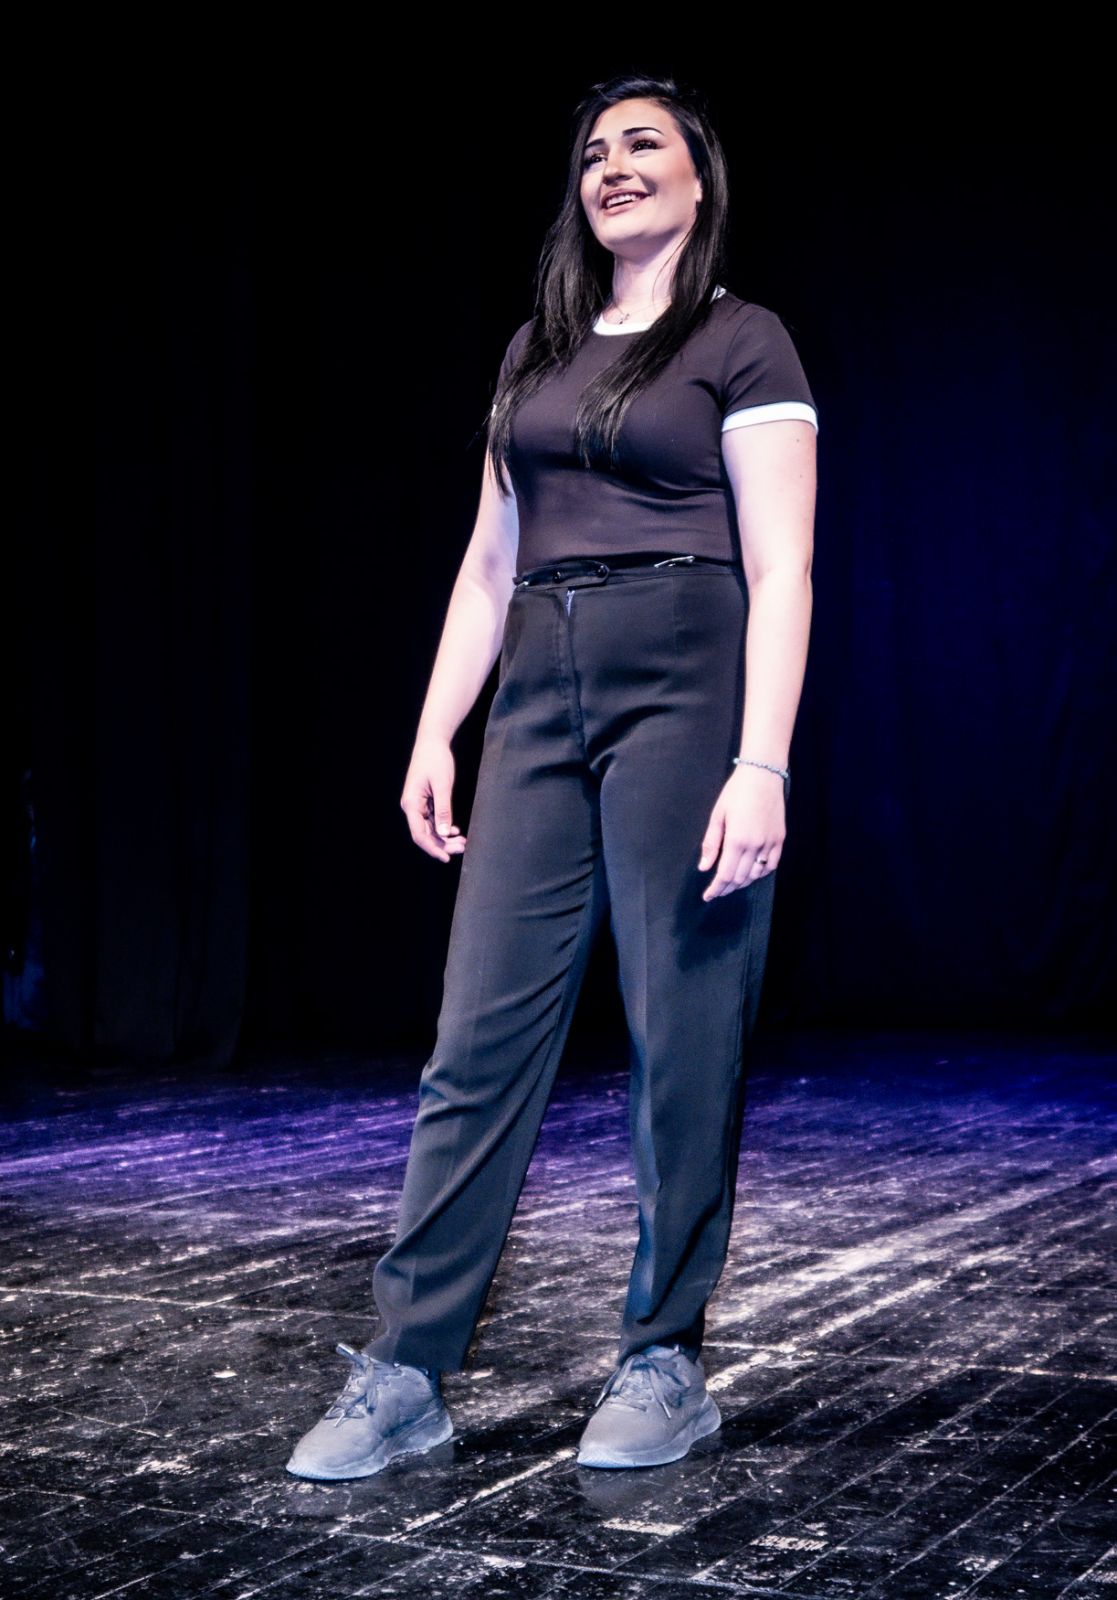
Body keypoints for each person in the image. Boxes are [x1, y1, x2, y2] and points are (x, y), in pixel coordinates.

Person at [286, 71, 817, 1481]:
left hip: (685, 678)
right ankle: (406, 1366)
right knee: (476, 1042)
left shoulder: (742, 339)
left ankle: (663, 1355)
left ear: (699, 178)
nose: (612, 166)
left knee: (680, 1031)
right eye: (592, 153)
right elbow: (487, 562)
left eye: (642, 144)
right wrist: (434, 731)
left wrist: (760, 760)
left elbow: (783, 568)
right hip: (536, 682)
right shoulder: (537, 349)